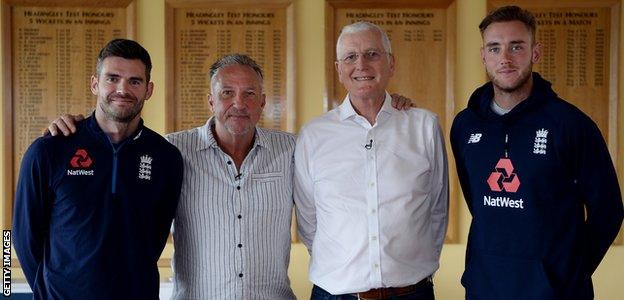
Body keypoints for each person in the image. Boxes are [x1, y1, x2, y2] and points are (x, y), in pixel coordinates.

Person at [45, 53, 413, 298]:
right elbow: (114, 151)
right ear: (210, 101)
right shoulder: (170, 153)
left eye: (250, 93)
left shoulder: (293, 150)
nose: (239, 104)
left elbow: (351, 157)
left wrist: (390, 106)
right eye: (227, 93)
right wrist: (80, 127)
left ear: (263, 102)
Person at [450, 6, 624, 300]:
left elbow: (608, 211)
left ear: (535, 52)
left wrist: (569, 272)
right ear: (484, 56)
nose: (504, 58)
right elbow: (477, 200)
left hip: (556, 292)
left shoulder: (570, 124)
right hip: (485, 288)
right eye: (495, 48)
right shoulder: (465, 125)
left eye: (516, 46)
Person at [13, 39, 183, 299]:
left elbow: (154, 238)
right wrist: (52, 290)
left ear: (148, 90)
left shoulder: (166, 158)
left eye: (134, 81)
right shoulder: (49, 151)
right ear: (95, 84)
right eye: (112, 78)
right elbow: (24, 237)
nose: (122, 89)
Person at [294, 21, 448, 300]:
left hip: (412, 293)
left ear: (391, 63)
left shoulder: (424, 126)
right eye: (350, 57)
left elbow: (437, 208)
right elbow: (308, 219)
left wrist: (413, 267)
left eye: (372, 54)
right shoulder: (313, 135)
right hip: (336, 294)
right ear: (339, 69)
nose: (361, 65)